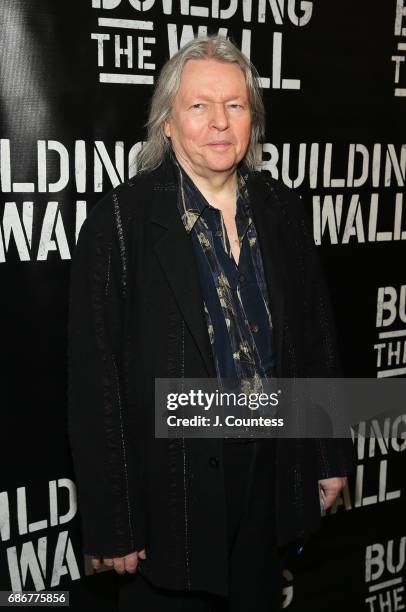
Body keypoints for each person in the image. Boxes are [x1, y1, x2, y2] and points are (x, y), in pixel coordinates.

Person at [67, 34, 356, 611]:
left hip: (269, 482)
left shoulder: (281, 209)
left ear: (253, 118)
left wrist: (328, 456)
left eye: (236, 105)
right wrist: (115, 519)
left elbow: (316, 341)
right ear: (167, 123)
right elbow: (95, 383)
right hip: (170, 493)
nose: (219, 122)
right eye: (199, 106)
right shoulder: (119, 225)